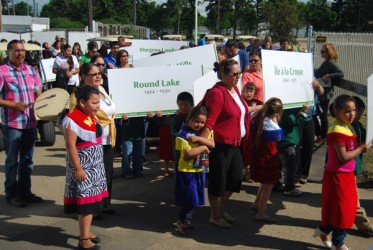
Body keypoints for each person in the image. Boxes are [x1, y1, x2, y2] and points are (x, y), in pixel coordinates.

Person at [313, 95, 371, 250]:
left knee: (342, 209)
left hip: (345, 176)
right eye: (347, 111)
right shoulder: (338, 130)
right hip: (337, 176)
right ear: (337, 111)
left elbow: (350, 148)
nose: (352, 114)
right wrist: (361, 149)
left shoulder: (345, 126)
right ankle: (338, 242)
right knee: (342, 211)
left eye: (354, 110)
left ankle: (324, 231)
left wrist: (361, 145)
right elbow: (343, 156)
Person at [200, 59, 250, 228]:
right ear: (223, 74)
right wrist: (201, 146)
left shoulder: (234, 89)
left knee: (235, 180)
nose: (238, 76)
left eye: (239, 73)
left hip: (235, 143)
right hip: (220, 146)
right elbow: (210, 122)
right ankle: (214, 215)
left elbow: (240, 112)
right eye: (234, 74)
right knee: (217, 182)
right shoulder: (217, 93)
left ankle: (220, 209)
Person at [62, 85, 108, 249]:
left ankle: (86, 231)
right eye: (94, 103)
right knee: (86, 204)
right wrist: (78, 169)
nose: (98, 106)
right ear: (82, 102)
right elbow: (71, 145)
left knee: (93, 203)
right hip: (84, 169)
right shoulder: (72, 120)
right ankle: (83, 240)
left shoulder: (91, 116)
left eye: (98, 102)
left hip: (95, 168)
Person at [69, 63, 117, 216]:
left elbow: (110, 111)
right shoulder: (77, 95)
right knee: (92, 177)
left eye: (99, 73)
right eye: (94, 74)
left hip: (108, 138)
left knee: (106, 174)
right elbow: (76, 118)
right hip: (90, 142)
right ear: (83, 77)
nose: (98, 76)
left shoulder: (102, 89)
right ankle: (90, 210)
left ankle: (103, 205)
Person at [0, 40, 43, 207]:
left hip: (30, 122)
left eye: (22, 50)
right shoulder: (3, 72)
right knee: (12, 161)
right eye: (16, 50)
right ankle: (12, 194)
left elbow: (38, 93)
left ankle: (26, 191)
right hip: (12, 124)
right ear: (8, 52)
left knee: (27, 160)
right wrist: (13, 104)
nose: (20, 53)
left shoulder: (31, 70)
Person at [174, 106, 214, 234]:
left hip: (200, 169)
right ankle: (183, 221)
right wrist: (203, 148)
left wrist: (198, 139)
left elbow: (212, 144)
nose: (199, 125)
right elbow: (188, 154)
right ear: (189, 119)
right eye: (196, 121)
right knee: (190, 198)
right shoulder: (182, 134)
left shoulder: (205, 132)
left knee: (195, 199)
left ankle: (186, 220)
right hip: (187, 171)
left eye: (202, 122)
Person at [249, 97, 284, 222]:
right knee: (268, 184)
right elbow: (279, 138)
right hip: (269, 157)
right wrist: (276, 119)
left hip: (259, 156)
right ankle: (261, 212)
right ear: (276, 112)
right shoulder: (271, 125)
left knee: (264, 182)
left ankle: (256, 203)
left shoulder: (258, 117)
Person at [350, 96, 373, 237]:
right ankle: (363, 224)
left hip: (353, 168)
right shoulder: (344, 128)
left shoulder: (358, 126)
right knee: (353, 197)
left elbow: (366, 138)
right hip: (346, 169)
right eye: (357, 112)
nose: (357, 116)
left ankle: (330, 223)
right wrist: (360, 147)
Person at [314, 43, 344, 147]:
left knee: (323, 115)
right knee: (317, 114)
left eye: (323, 51)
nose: (321, 53)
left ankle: (323, 137)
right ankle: (319, 135)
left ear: (328, 52)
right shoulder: (325, 62)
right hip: (321, 91)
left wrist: (329, 75)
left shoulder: (331, 63)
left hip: (326, 93)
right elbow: (319, 73)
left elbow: (341, 73)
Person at [278, 105, 309, 197]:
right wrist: (304, 112)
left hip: (286, 141)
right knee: (290, 167)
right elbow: (296, 122)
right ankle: (289, 188)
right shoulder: (286, 110)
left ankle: (282, 185)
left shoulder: (285, 109)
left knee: (285, 166)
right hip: (287, 141)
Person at [298, 80, 325, 185]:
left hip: (310, 117)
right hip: (297, 116)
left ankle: (303, 174)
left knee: (308, 145)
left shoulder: (310, 74)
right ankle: (295, 175)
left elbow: (321, 92)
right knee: (296, 146)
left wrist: (318, 87)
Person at [241, 82, 263, 183]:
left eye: (251, 91)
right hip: (243, 133)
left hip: (253, 133)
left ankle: (252, 173)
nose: (249, 93)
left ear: (254, 93)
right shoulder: (241, 101)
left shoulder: (256, 102)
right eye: (247, 91)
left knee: (253, 153)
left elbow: (264, 107)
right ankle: (246, 173)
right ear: (243, 92)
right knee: (245, 153)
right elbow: (245, 110)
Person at [172, 92, 195, 173]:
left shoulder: (196, 117)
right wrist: (184, 136)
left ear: (192, 105)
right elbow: (173, 133)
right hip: (180, 151)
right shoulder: (176, 118)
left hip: (194, 149)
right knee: (180, 170)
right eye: (180, 105)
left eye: (186, 104)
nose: (183, 107)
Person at [155, 111, 174, 176]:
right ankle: (166, 169)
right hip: (164, 126)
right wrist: (158, 116)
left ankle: (175, 168)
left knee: (175, 147)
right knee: (165, 147)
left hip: (175, 124)